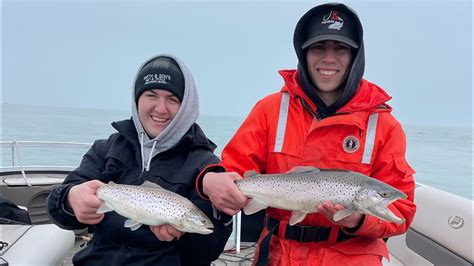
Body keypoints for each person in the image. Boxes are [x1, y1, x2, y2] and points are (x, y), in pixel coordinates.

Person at [196, 3, 416, 265]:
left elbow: (402, 210)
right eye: (319, 47)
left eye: (341, 48)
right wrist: (209, 180)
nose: (329, 59)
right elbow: (231, 169)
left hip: (352, 257)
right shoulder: (270, 110)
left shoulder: (384, 127)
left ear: (356, 56)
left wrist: (358, 218)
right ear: (304, 52)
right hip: (279, 253)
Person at [47, 54, 233, 265]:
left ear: (186, 107)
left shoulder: (206, 166)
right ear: (137, 100)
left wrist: (183, 236)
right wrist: (70, 199)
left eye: (172, 99)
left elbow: (209, 248)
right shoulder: (106, 149)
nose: (161, 109)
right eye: (151, 95)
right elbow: (58, 211)